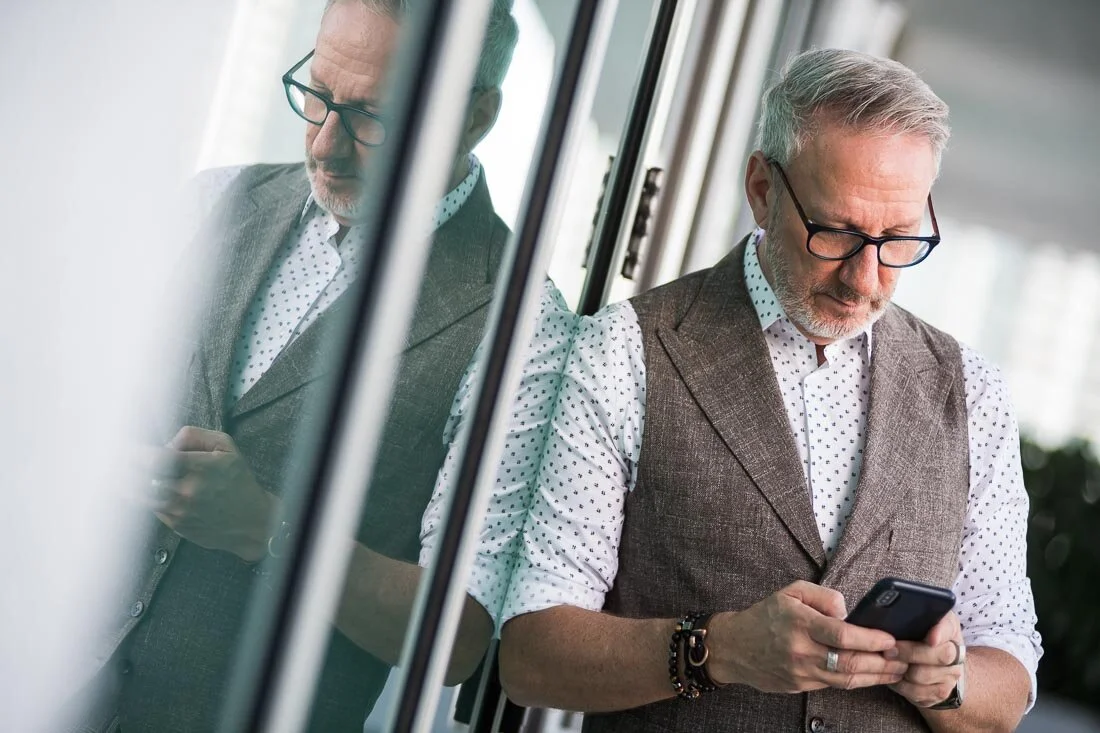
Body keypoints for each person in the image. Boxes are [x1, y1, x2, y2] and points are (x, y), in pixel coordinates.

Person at [498, 48, 1042, 732]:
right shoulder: (623, 351)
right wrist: (718, 650)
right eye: (835, 233)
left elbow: (1008, 673)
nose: (864, 280)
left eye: (899, 238)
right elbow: (530, 654)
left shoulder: (973, 395)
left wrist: (949, 681)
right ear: (761, 188)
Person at [67, 1, 522, 731]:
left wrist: (266, 528)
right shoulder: (213, 200)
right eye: (317, 95)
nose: (325, 145)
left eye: (374, 117)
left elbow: (459, 637)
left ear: (476, 117)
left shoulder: (521, 327)